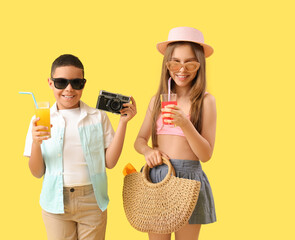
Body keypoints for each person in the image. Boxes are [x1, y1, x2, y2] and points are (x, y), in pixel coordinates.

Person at [23, 54, 136, 240]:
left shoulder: (98, 116)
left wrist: (123, 123)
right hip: (55, 201)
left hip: (92, 200)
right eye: (61, 82)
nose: (69, 89)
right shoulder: (40, 120)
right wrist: (36, 143)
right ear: (50, 83)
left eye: (76, 83)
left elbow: (110, 162)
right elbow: (36, 172)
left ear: (84, 84)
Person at [134, 27, 217, 240]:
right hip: (159, 176)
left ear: (199, 65)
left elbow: (206, 155)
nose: (182, 69)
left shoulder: (206, 101)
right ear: (167, 65)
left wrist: (185, 124)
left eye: (190, 62)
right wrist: (148, 151)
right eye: (175, 62)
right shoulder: (157, 101)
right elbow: (140, 140)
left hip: (190, 179)